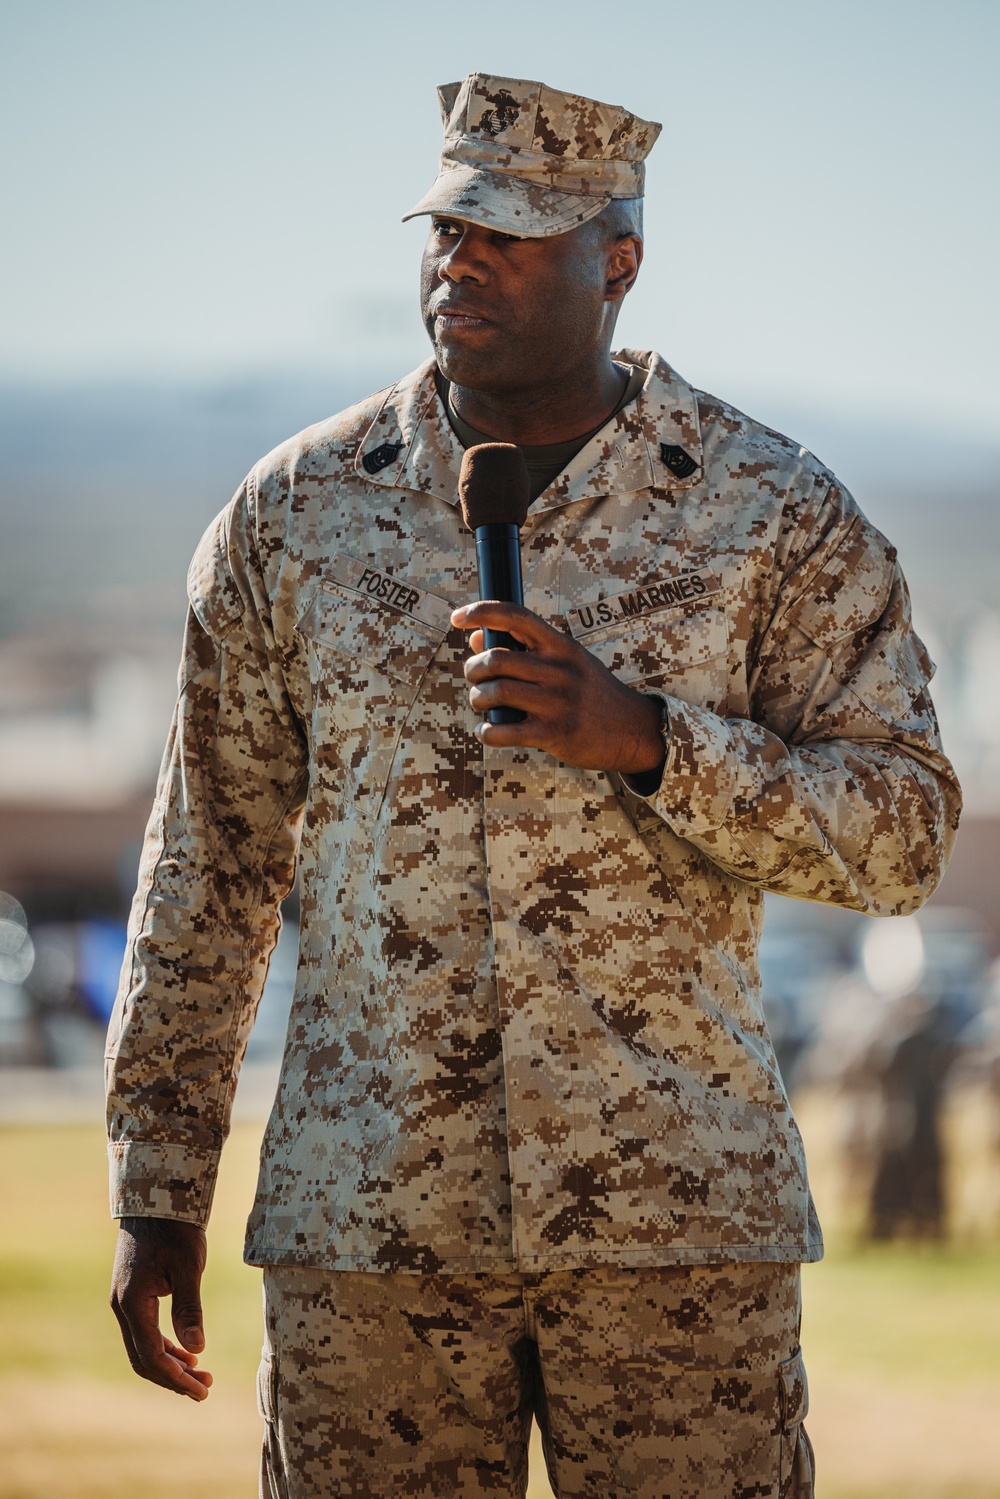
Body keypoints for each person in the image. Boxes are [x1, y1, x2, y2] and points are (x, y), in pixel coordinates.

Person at [106, 72, 961, 1499]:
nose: (460, 260)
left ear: (617, 259)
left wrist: (650, 738)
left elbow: (908, 836)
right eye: (445, 228)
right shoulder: (294, 516)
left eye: (508, 233)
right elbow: (210, 866)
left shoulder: (770, 510)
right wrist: (157, 1184)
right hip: (371, 1232)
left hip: (673, 1229)